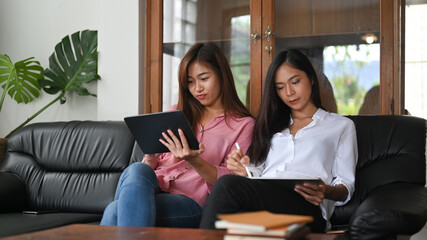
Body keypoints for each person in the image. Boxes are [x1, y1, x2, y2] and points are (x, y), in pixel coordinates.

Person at [199, 49, 357, 232]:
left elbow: (346, 184)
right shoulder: (272, 127)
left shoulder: (341, 126)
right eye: (280, 87)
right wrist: (245, 171)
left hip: (306, 205)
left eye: (295, 82)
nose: (289, 92)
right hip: (267, 196)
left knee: (226, 185)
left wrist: (326, 190)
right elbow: (261, 172)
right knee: (229, 195)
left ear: (312, 79)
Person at [101, 43, 254, 227]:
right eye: (190, 82)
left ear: (222, 75)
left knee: (114, 210)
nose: (197, 88)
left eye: (203, 78)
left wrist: (194, 159)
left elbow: (231, 182)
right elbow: (150, 168)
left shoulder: (243, 125)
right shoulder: (176, 113)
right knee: (137, 170)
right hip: (154, 188)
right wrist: (151, 157)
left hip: (190, 203)